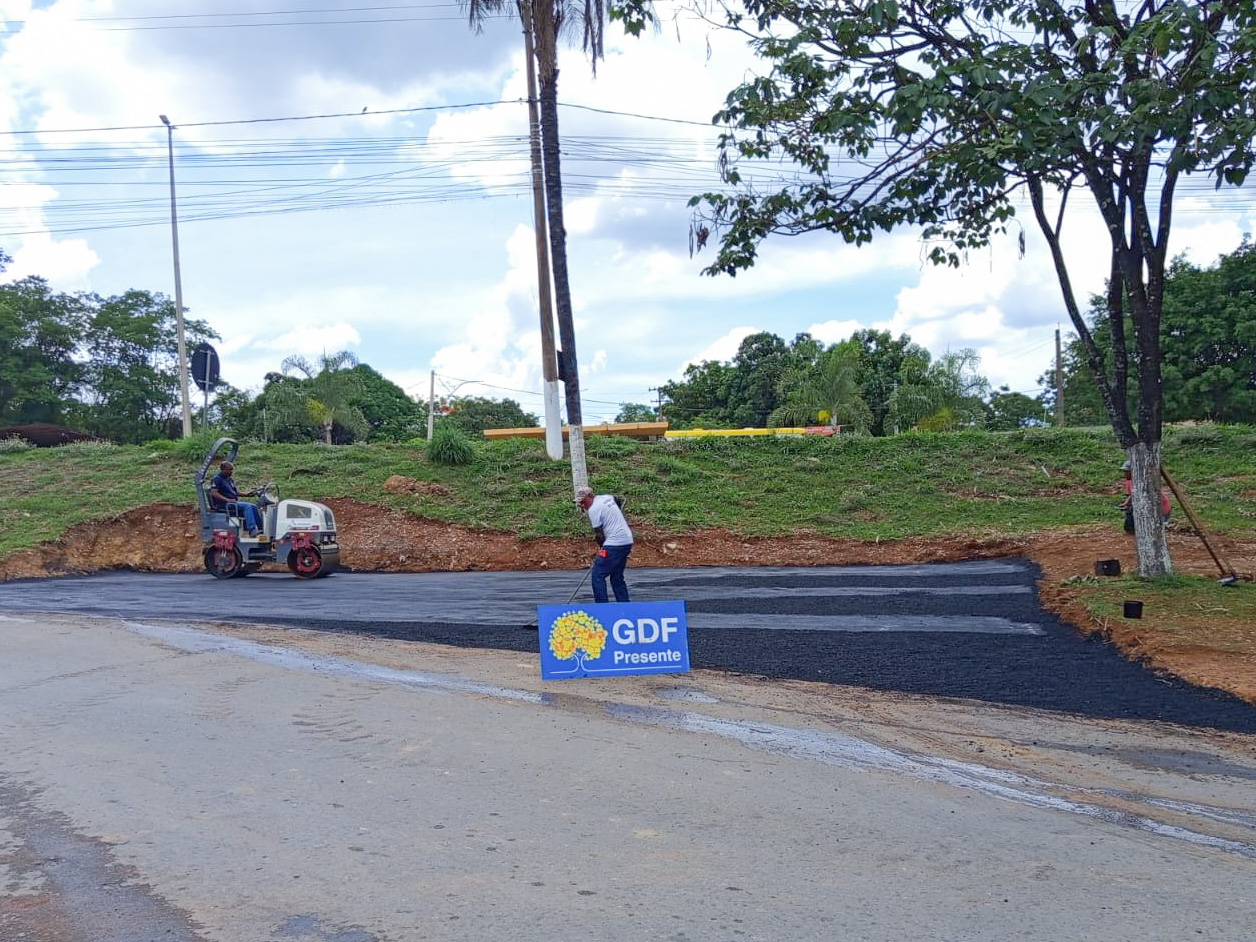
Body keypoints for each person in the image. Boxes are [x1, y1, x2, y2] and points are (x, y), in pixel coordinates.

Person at [574, 485, 633, 603]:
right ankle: (625, 605)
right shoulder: (606, 497)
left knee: (597, 575)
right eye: (579, 502)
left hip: (614, 544)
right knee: (617, 577)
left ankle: (602, 608)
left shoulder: (593, 510)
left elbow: (599, 534)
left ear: (590, 496)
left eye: (583, 501)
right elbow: (617, 500)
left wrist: (602, 549)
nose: (582, 504)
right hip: (627, 540)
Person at [209, 460, 264, 536]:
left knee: (253, 506)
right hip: (224, 504)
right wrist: (228, 500)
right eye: (229, 470)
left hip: (233, 502)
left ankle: (261, 529)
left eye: (232, 469)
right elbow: (214, 493)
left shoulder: (229, 479)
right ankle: (252, 530)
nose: (231, 472)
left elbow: (235, 492)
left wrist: (247, 494)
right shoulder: (217, 479)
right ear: (223, 469)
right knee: (247, 506)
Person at [1120, 459, 1171, 535]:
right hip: (1148, 507)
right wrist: (1125, 503)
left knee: (1154, 531)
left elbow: (1149, 499)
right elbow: (1132, 494)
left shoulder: (1144, 482)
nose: (1124, 474)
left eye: (1127, 472)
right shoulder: (1129, 482)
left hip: (1160, 508)